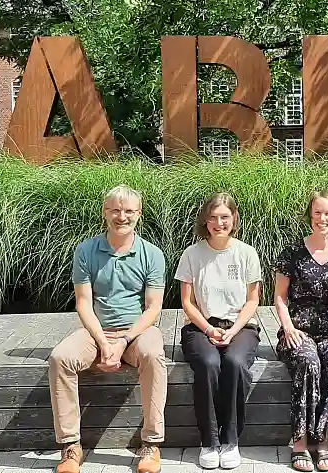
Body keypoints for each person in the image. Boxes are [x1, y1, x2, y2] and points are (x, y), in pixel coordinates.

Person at [48, 185, 167, 473]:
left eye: (128, 211)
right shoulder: (86, 250)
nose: (121, 216)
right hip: (96, 331)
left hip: (136, 331)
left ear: (139, 215)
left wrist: (124, 341)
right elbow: (83, 303)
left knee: (153, 355)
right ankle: (70, 446)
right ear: (105, 212)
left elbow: (152, 308)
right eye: (115, 209)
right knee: (60, 358)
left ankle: (151, 444)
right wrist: (103, 342)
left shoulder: (152, 254)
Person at [274, 191, 328, 472]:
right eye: (317, 213)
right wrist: (288, 328)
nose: (322, 219)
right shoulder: (292, 251)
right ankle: (299, 443)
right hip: (298, 328)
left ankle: (323, 442)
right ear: (309, 215)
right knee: (307, 361)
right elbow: (279, 297)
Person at [176, 192, 263, 470]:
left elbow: (253, 301)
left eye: (225, 217)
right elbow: (187, 302)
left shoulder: (247, 253)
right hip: (201, 326)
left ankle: (231, 440)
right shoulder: (192, 254)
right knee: (209, 363)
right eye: (213, 217)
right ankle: (209, 441)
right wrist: (208, 328)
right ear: (205, 220)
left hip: (240, 326)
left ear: (234, 219)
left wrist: (233, 329)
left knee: (235, 363)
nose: (218, 223)